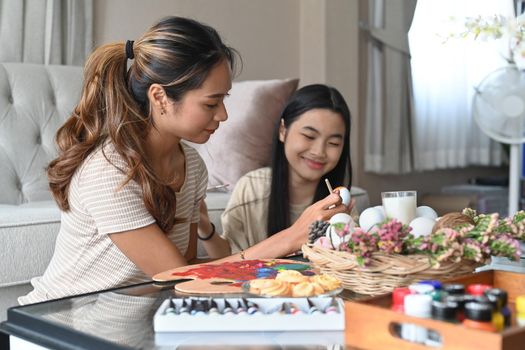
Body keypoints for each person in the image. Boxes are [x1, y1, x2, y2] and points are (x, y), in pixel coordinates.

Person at [19, 17, 346, 305]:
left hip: (132, 322)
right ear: (160, 97)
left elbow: (189, 271)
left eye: (224, 100)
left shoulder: (190, 165)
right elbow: (178, 276)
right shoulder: (109, 171)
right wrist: (291, 236)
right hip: (58, 325)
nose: (223, 114)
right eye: (211, 103)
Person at [199, 84, 356, 258]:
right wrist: (205, 228)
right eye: (309, 136)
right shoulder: (252, 188)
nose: (319, 152)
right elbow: (228, 259)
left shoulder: (340, 204)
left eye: (333, 143)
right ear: (283, 130)